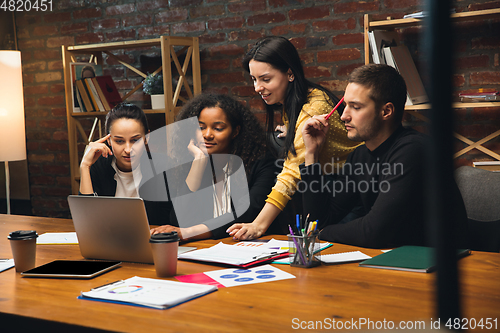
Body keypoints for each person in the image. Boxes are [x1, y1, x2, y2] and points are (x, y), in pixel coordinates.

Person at [297, 64, 468, 248]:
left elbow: (374, 232)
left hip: (437, 264)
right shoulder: (360, 156)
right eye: (345, 105)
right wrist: (312, 154)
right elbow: (316, 221)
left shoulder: (413, 150)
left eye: (355, 107)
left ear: (386, 111)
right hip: (394, 261)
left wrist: (322, 233)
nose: (344, 116)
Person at [228, 36, 361, 240]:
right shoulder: (301, 97)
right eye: (254, 79)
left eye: (265, 79)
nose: (257, 88)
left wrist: (258, 225)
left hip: (349, 192)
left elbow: (290, 173)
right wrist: (291, 128)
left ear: (289, 73)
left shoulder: (311, 108)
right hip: (329, 184)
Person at [150, 93, 289, 241]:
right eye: (201, 127)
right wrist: (198, 163)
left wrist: (190, 232)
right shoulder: (192, 163)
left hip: (253, 247)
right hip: (208, 250)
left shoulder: (260, 162)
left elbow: (247, 212)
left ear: (235, 132)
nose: (207, 135)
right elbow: (179, 221)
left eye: (218, 128)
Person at [79, 102, 171, 225]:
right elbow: (86, 221)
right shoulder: (99, 165)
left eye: (135, 140)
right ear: (109, 141)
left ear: (146, 138)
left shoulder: (162, 166)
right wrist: (85, 166)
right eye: (119, 141)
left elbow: (168, 221)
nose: (128, 149)